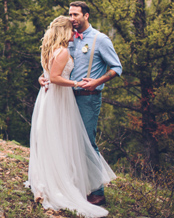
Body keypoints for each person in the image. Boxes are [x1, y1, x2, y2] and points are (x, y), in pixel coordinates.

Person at [27, 16, 117, 217]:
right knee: (67, 139)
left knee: (56, 139)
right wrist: (77, 83)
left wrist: (44, 78)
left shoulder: (50, 49)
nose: (73, 34)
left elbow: (48, 74)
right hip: (60, 98)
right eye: (70, 30)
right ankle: (77, 186)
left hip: (52, 97)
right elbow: (56, 78)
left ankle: (59, 179)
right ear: (64, 32)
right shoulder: (63, 51)